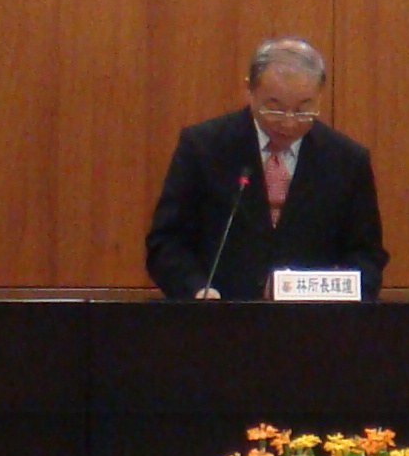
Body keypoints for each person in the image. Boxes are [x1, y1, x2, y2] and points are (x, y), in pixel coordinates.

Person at [146, 38, 389, 301]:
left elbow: (366, 254)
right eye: (274, 108)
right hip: (220, 320)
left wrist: (341, 296)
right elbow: (167, 242)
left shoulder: (347, 160)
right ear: (249, 90)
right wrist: (195, 289)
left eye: (303, 110)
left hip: (315, 326)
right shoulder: (204, 147)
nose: (288, 123)